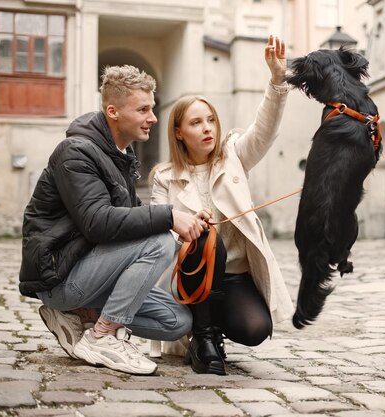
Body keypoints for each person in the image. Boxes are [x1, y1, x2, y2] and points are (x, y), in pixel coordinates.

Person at [19, 65, 209, 375]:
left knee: (177, 322)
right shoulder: (75, 152)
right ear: (113, 111)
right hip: (61, 277)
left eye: (152, 107)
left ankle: (83, 315)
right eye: (143, 109)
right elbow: (98, 222)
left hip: (94, 272)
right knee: (160, 241)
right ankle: (102, 334)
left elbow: (131, 219)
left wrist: (185, 217)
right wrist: (169, 217)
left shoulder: (120, 155)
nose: (153, 117)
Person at [150, 35, 294, 375]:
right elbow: (160, 236)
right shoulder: (163, 177)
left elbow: (265, 130)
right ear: (180, 133)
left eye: (210, 120)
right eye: (196, 123)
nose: (206, 128)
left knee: (256, 329)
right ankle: (204, 336)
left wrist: (277, 80)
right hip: (190, 277)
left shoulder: (234, 156)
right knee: (202, 238)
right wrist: (185, 224)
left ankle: (212, 326)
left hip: (234, 278)